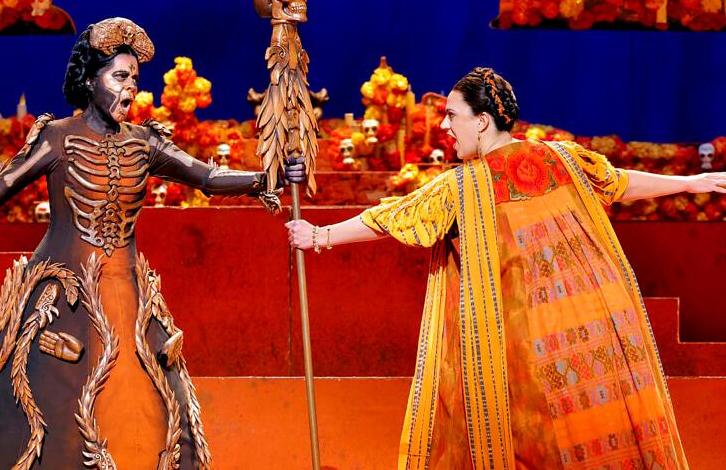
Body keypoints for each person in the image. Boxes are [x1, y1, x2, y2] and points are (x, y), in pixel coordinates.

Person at [0, 17, 305, 470]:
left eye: (135, 80)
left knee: (149, 402)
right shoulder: (57, 137)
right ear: (90, 80)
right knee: (45, 403)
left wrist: (269, 177)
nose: (129, 89)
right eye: (119, 77)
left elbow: (208, 176)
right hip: (60, 295)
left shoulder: (145, 143)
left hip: (128, 296)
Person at [287, 67, 725, 470]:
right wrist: (691, 183)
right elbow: (620, 183)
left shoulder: (464, 184)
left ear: (481, 121)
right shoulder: (564, 158)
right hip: (600, 332)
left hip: (526, 352)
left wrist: (320, 235)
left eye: (452, 115)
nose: (444, 126)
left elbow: (392, 217)